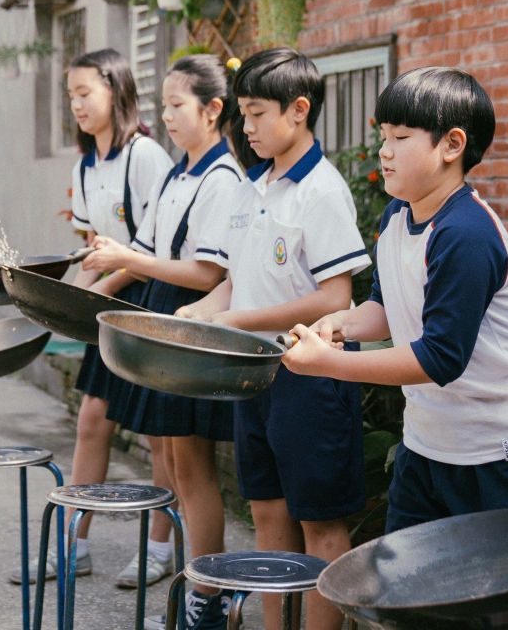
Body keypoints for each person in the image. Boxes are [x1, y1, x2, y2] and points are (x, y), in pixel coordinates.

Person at [282, 66, 508, 629]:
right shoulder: (398, 216)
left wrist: (330, 365)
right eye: (384, 136)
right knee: (414, 604)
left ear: (452, 145)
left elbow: (439, 358)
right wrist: (340, 325)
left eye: (401, 138)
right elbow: (385, 306)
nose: (384, 150)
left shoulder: (467, 232)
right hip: (429, 449)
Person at [177, 47, 370, 630]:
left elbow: (338, 299)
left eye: (257, 113)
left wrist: (242, 321)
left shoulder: (323, 191)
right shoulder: (250, 185)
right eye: (242, 112)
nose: (247, 126)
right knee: (265, 511)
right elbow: (237, 283)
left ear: (299, 110)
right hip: (255, 374)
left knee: (321, 523)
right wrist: (197, 312)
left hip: (312, 376)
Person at [82, 54, 245, 630]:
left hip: (191, 326)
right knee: (175, 460)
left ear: (214, 109)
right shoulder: (182, 172)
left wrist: (126, 258)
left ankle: (210, 594)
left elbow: (206, 274)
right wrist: (91, 290)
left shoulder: (223, 178)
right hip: (163, 320)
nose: (168, 117)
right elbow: (145, 254)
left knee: (192, 465)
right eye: (165, 106)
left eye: (178, 106)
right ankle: (199, 586)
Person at [13, 48, 176, 589]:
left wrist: (92, 297)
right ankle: (73, 546)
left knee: (157, 435)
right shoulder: (86, 164)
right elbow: (90, 250)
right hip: (106, 306)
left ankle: (159, 549)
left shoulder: (145, 156)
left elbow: (154, 250)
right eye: (71, 96)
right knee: (91, 422)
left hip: (147, 305)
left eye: (85, 92)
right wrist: (58, 306)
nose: (76, 105)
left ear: (116, 89)